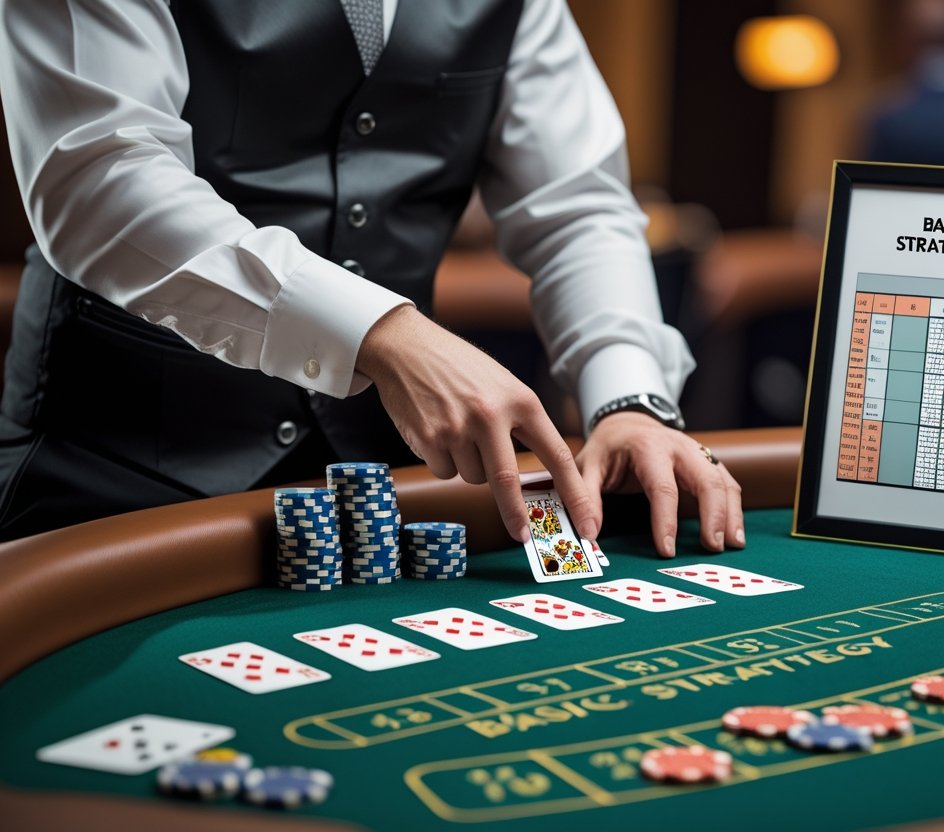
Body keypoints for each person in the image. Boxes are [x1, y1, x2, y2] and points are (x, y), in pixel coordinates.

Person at [0, 0, 745, 556]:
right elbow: (98, 177)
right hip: (111, 475)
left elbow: (576, 206)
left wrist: (628, 398)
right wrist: (384, 333)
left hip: (380, 486)